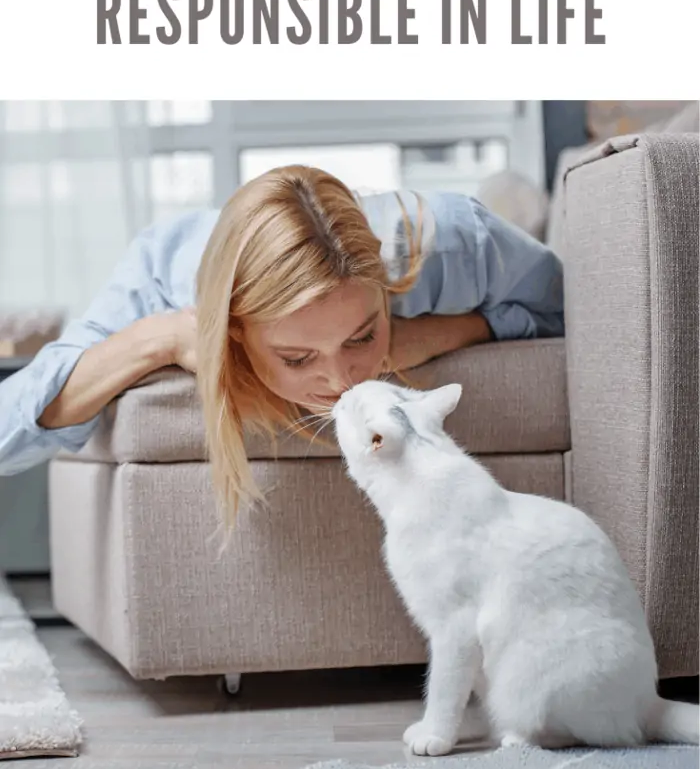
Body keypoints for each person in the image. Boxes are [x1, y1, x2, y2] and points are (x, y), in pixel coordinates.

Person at [0, 165, 564, 524]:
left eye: (361, 335)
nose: (343, 383)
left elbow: (567, 311)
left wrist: (435, 334)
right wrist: (161, 337)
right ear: (235, 330)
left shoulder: (455, 242)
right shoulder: (162, 271)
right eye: (297, 359)